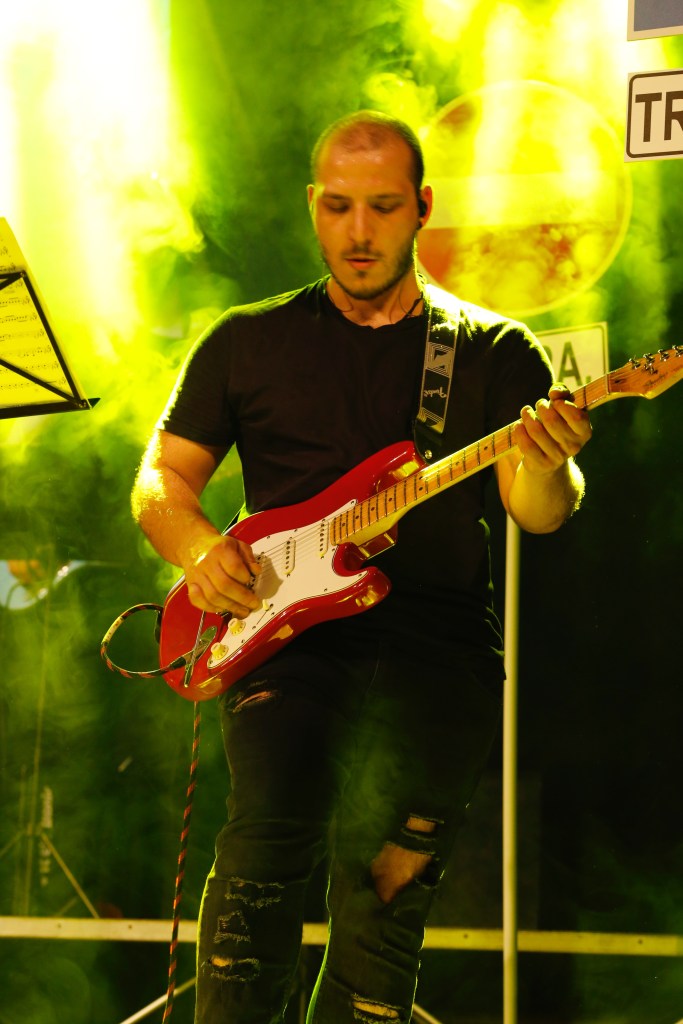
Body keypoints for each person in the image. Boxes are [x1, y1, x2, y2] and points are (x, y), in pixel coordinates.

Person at [131, 110, 592, 1024]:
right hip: (287, 644)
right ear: (312, 203)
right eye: (338, 206)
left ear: (422, 207)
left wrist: (549, 460)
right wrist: (198, 550)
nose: (358, 231)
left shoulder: (492, 351)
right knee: (263, 856)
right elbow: (162, 479)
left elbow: (539, 511)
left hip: (438, 651)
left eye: (382, 207)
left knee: (386, 898)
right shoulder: (247, 340)